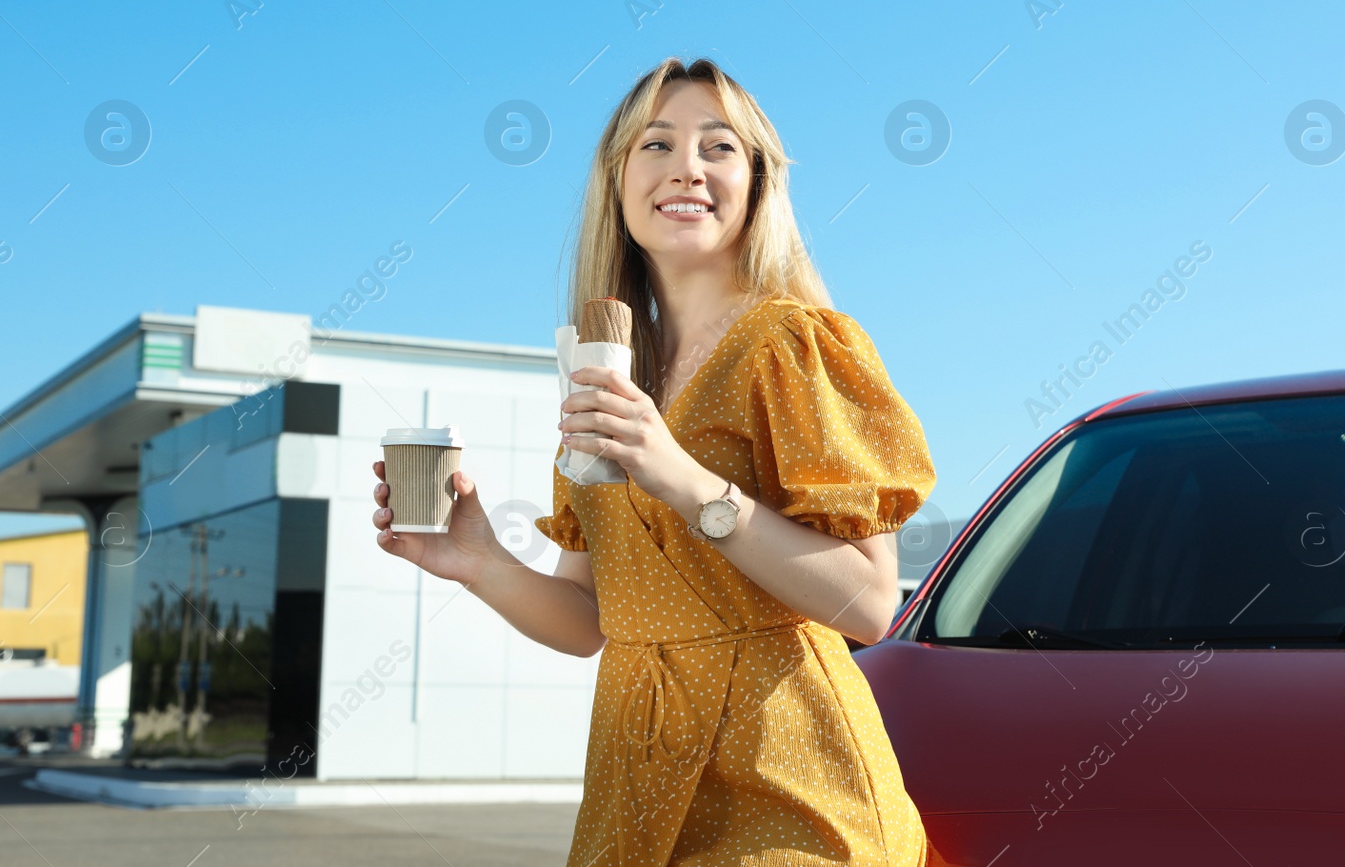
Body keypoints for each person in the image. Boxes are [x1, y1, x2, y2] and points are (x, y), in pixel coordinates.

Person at [372, 57, 947, 866]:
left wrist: (680, 474)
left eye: (718, 147)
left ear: (756, 182)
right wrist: (477, 560)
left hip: (790, 786)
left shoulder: (792, 344)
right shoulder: (606, 376)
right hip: (638, 789)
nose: (687, 166)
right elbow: (589, 621)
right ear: (617, 181)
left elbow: (869, 600)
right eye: (657, 144)